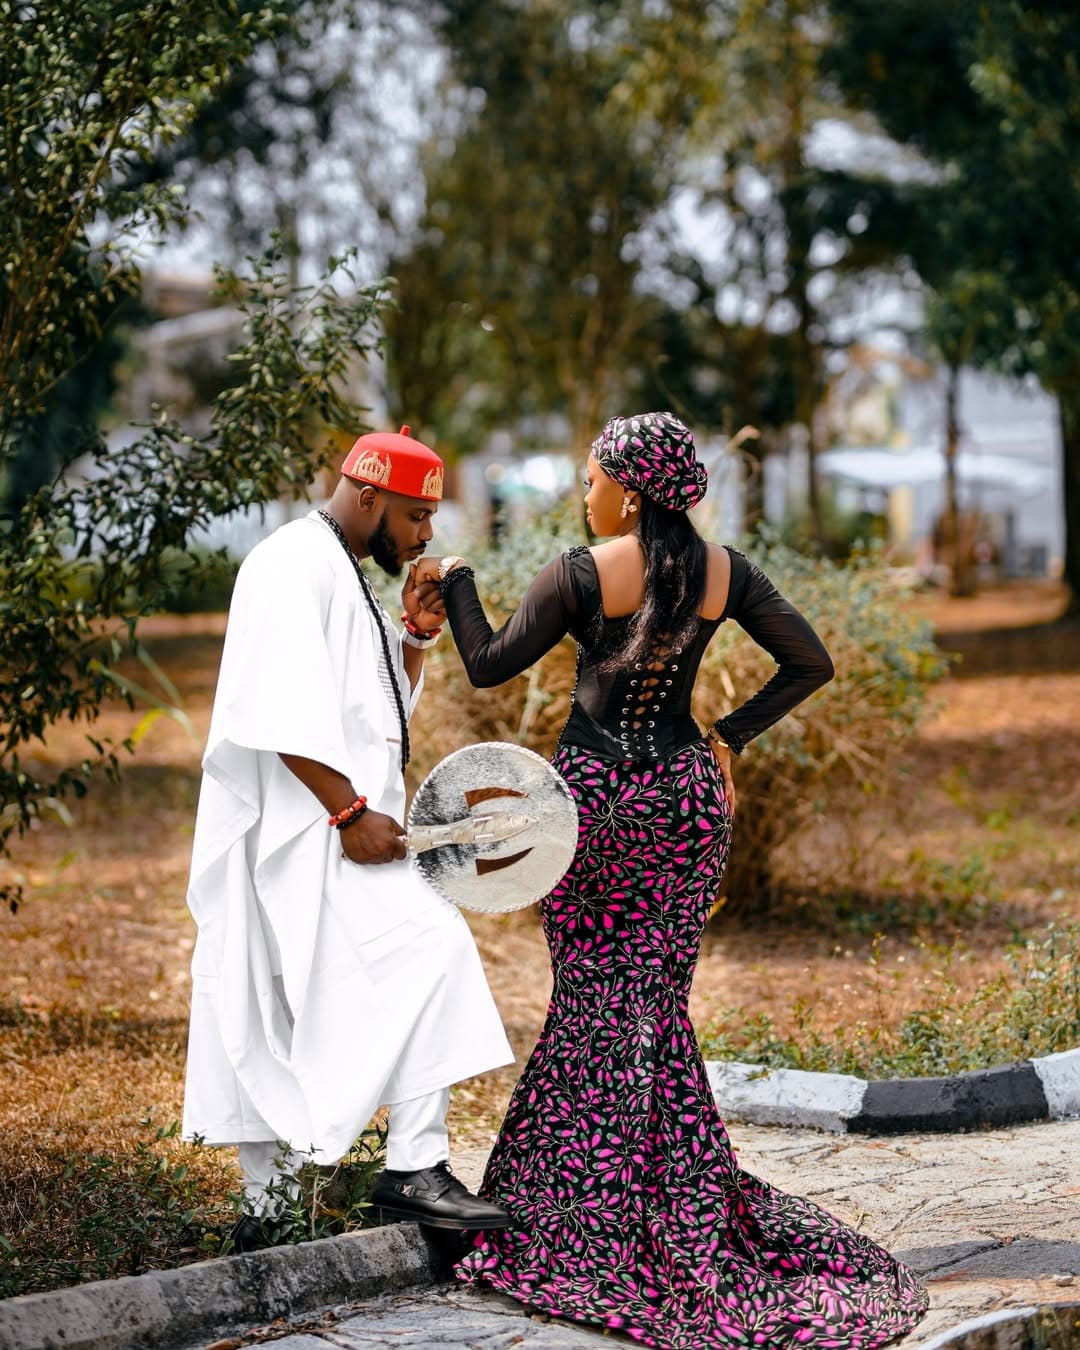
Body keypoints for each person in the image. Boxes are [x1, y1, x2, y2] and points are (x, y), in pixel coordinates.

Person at [417, 412, 928, 1348]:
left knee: (589, 1003)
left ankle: (578, 1215)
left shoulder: (579, 572)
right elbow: (809, 662)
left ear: (631, 489)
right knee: (653, 1004)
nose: (584, 491)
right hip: (685, 801)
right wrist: (727, 737)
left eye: (594, 476)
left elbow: (487, 666)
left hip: (598, 804)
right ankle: (674, 1202)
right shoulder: (724, 571)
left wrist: (456, 581)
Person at [182, 425, 513, 1244]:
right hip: (303, 833)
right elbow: (273, 708)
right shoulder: (291, 563)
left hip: (338, 827)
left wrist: (414, 639)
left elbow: (373, 720)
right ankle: (409, 1169)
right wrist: (347, 812)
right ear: (369, 496)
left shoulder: (346, 571)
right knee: (422, 951)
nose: (426, 534)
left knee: (303, 1007)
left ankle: (278, 1208)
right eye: (415, 515)